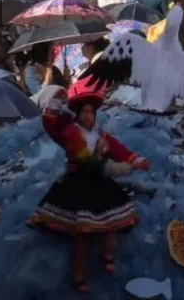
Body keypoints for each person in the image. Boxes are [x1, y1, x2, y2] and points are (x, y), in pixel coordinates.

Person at [28, 90, 148, 291]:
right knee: (82, 233)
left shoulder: (101, 135)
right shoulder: (71, 133)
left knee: (112, 222)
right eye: (84, 112)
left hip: (101, 182)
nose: (87, 116)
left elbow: (118, 150)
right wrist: (56, 104)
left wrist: (136, 160)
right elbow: (51, 125)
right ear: (78, 114)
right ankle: (79, 275)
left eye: (91, 112)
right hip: (78, 183)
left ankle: (108, 256)